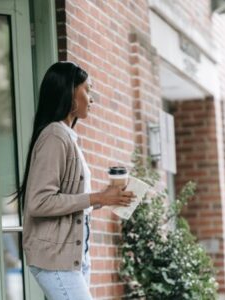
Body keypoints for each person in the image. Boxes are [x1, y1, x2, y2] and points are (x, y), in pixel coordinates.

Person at [20, 61, 135, 299]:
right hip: (56, 260)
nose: (91, 99)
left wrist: (106, 197)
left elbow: (71, 198)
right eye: (87, 90)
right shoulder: (55, 136)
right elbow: (39, 202)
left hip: (75, 256)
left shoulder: (68, 137)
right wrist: (97, 197)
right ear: (71, 92)